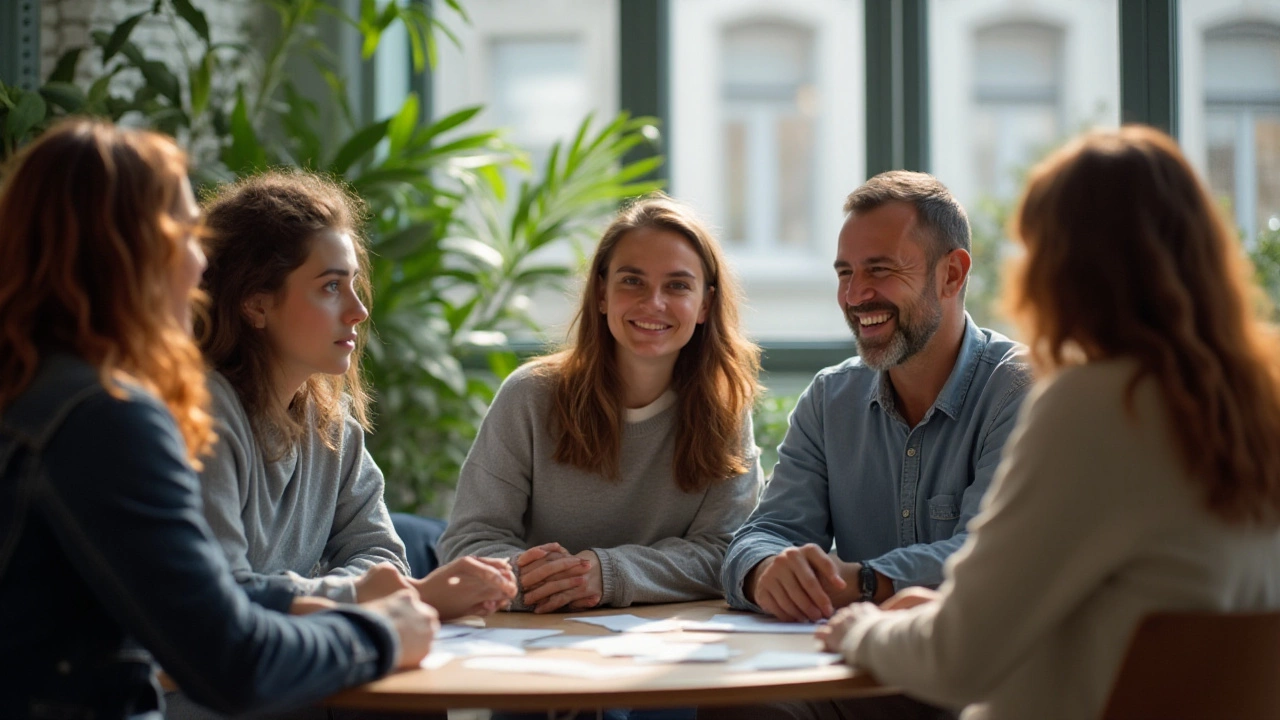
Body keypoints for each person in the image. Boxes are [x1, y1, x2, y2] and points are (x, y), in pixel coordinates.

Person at [817, 126, 1280, 719]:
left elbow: (959, 660)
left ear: (1063, 265)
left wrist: (859, 628)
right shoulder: (1255, 398)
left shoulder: (1097, 404)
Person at [0, 119, 437, 720]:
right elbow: (232, 661)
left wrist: (299, 599)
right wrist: (380, 634)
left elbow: (203, 607)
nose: (202, 262)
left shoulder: (33, 390)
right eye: (184, 233)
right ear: (125, 253)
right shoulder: (105, 419)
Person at [708, 172, 1030, 719]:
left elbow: (991, 559)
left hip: (974, 689)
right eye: (845, 273)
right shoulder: (830, 397)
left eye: (880, 269)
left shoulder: (1020, 387)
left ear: (951, 274)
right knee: (736, 707)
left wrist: (859, 582)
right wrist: (767, 572)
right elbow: (762, 534)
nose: (856, 296)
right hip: (852, 682)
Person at [437, 195, 763, 718]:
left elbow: (728, 551)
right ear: (603, 295)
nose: (653, 302)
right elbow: (468, 540)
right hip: (535, 658)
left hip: (669, 658)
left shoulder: (726, 408)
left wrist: (606, 574)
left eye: (677, 285)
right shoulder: (530, 395)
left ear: (704, 304)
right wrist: (538, 584)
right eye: (632, 280)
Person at [192, 170, 516, 615]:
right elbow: (224, 597)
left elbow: (384, 558)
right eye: (330, 286)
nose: (359, 310)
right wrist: (357, 594)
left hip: (302, 669)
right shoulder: (204, 415)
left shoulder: (330, 421)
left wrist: (340, 594)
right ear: (256, 304)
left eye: (353, 283)